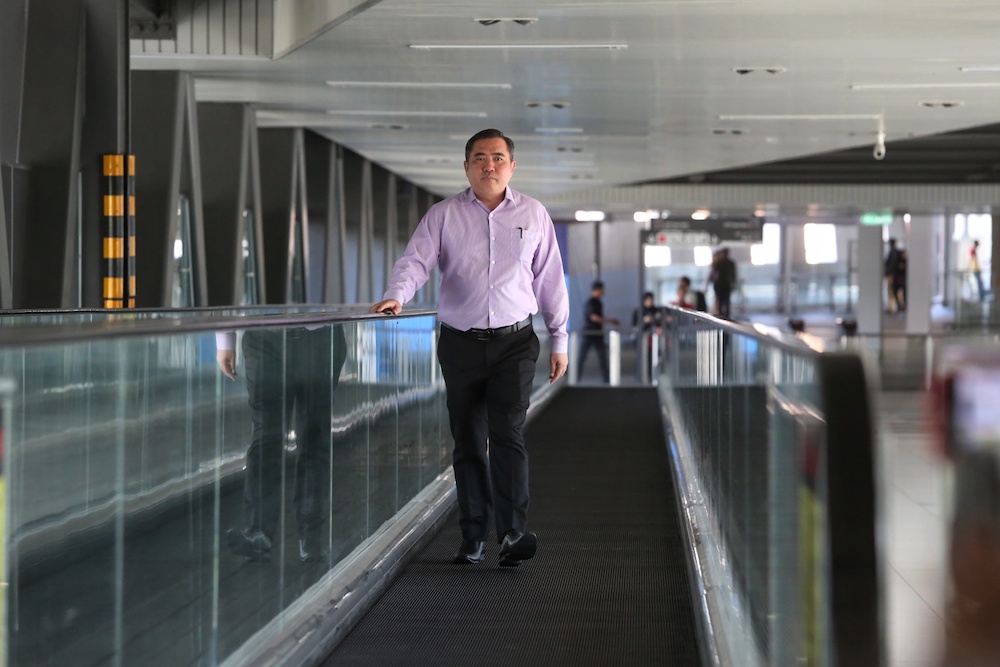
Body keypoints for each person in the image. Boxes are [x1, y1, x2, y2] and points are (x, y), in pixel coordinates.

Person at [369, 129, 569, 568]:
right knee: (467, 441)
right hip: (459, 343)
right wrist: (397, 294)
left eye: (498, 157)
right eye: (479, 158)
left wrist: (560, 337)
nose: (489, 165)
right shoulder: (443, 215)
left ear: (512, 166)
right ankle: (473, 535)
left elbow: (550, 279)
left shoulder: (533, 215)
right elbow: (416, 260)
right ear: (466, 166)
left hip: (515, 343)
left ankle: (513, 533)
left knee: (508, 434)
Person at [218, 324, 348, 563]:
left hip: (321, 336)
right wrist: (225, 339)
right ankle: (258, 531)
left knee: (313, 434)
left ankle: (312, 536)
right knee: (267, 434)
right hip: (265, 337)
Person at [577, 279, 619, 383]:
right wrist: (610, 321)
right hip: (590, 333)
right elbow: (594, 317)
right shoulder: (591, 302)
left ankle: (606, 379)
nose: (603, 292)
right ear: (597, 290)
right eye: (602, 290)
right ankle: (574, 377)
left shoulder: (598, 302)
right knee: (582, 357)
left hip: (597, 334)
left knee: (602, 357)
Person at [708, 247, 737, 318]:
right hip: (724, 285)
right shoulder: (729, 263)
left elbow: (713, 272)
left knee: (723, 301)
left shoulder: (720, 263)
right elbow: (733, 275)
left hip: (721, 285)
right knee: (724, 301)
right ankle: (725, 316)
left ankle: (723, 316)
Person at [884, 238, 901, 313]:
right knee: (894, 291)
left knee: (891, 291)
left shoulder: (893, 252)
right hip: (896, 275)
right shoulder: (896, 252)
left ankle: (891, 307)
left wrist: (888, 272)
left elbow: (891, 264)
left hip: (892, 274)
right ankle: (895, 306)